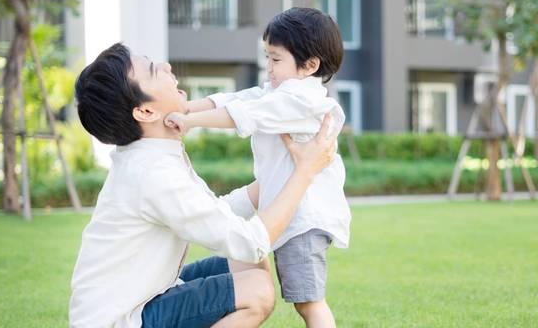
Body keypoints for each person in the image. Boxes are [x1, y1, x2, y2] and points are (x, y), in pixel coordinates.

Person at [69, 42, 340, 327]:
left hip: (144, 297)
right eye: (153, 70)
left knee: (250, 268)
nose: (166, 67)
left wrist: (272, 183)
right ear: (146, 112)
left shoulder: (153, 156)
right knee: (255, 290)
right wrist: (305, 171)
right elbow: (250, 242)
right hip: (124, 320)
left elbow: (213, 213)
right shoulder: (153, 173)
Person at [165, 7, 351, 328]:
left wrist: (190, 121)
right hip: (290, 216)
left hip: (304, 220)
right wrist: (185, 106)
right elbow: (232, 100)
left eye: (276, 59)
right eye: (267, 57)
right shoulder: (278, 92)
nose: (269, 68)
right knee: (294, 293)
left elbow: (242, 116)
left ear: (309, 66)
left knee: (310, 303)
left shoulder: (300, 99)